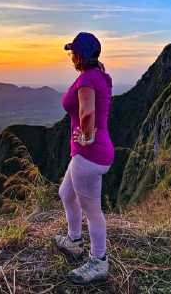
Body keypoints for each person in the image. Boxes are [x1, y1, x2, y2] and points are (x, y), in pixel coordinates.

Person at [52, 31, 114, 284]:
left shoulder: (88, 80)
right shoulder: (100, 75)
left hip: (89, 156)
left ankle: (99, 261)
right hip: (91, 153)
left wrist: (87, 136)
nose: (70, 56)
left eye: (73, 52)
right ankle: (74, 240)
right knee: (66, 194)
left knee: (93, 212)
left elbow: (87, 111)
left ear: (80, 55)